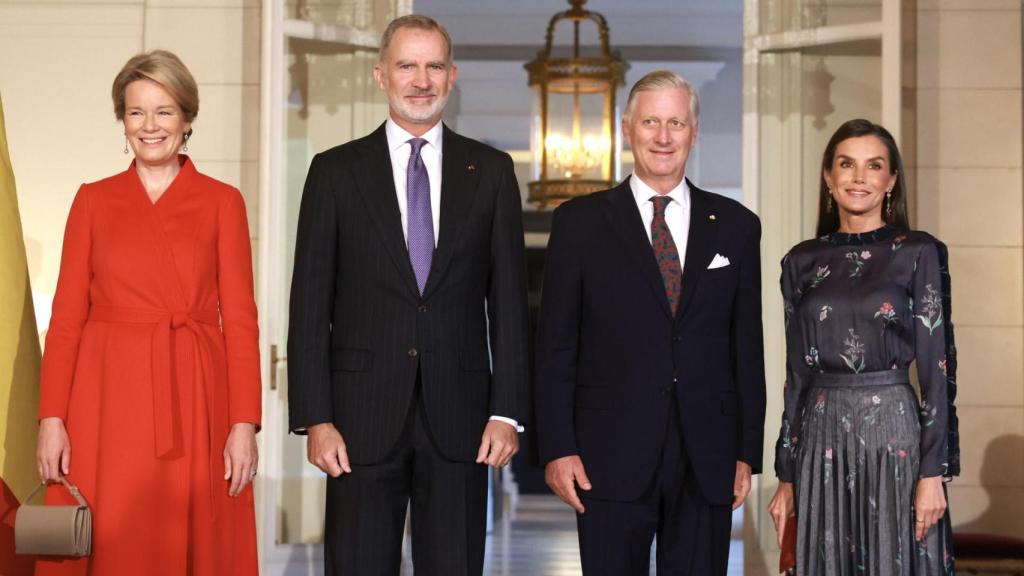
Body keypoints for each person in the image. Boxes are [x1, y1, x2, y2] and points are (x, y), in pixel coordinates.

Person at [287, 14, 530, 576]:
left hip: (463, 421)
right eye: (406, 66)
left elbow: (510, 305)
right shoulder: (334, 172)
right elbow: (309, 305)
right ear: (380, 76)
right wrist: (315, 417)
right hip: (357, 421)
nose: (421, 80)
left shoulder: (491, 172)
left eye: (433, 66)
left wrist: (507, 412)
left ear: (452, 76)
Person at [35, 50, 261, 575]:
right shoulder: (93, 200)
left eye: (164, 111)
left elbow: (242, 321)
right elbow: (66, 316)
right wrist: (52, 418)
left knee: (191, 535)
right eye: (137, 112)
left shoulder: (222, 201)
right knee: (111, 532)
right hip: (105, 396)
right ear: (122, 120)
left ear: (187, 119)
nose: (150, 126)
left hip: (195, 396)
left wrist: (244, 422)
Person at [534, 69, 767, 575]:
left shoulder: (737, 226)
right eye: (651, 122)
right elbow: (555, 346)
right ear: (627, 128)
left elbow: (746, 348)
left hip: (707, 455)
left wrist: (746, 451)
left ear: (693, 131)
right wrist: (558, 447)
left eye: (676, 123)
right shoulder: (578, 223)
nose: (664, 137)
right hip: (605, 456)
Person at [767, 118, 959, 575]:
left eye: (873, 166)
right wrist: (786, 474)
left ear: (891, 180)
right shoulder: (801, 260)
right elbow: (796, 375)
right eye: (846, 164)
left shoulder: (919, 252)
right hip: (820, 438)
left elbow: (937, 369)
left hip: (894, 436)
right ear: (828, 177)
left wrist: (934, 472)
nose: (858, 177)